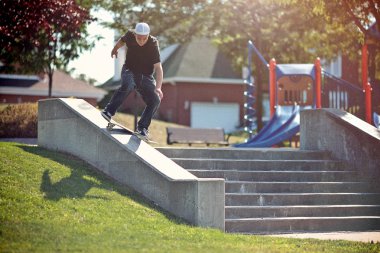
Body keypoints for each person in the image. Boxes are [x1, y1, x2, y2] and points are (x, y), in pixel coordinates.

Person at [101, 22, 163, 139]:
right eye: (139, 38)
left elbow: (159, 68)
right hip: (129, 70)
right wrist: (115, 49)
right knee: (128, 84)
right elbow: (121, 40)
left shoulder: (153, 44)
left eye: (144, 39)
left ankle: (142, 127)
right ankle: (109, 111)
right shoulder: (130, 35)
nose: (141, 41)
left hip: (146, 76)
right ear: (135, 35)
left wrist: (158, 87)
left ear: (148, 36)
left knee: (155, 99)